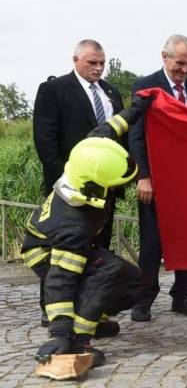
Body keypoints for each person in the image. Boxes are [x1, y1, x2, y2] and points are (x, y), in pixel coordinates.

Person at [24, 97, 152, 368]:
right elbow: (61, 280)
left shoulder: (89, 153)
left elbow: (109, 128)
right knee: (108, 271)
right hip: (46, 253)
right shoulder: (75, 224)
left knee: (138, 284)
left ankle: (92, 321)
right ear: (94, 187)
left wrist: (135, 110)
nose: (116, 190)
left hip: (59, 241)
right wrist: (59, 332)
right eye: (112, 186)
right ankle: (78, 341)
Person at [32, 39, 124, 327]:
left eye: (102, 63)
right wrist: (69, 181)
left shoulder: (111, 92)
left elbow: (120, 138)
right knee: (62, 252)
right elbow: (45, 141)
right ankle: (53, 310)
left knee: (97, 252)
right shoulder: (54, 90)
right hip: (68, 191)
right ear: (76, 60)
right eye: (92, 62)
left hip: (104, 191)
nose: (98, 68)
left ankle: (89, 311)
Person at [129, 34, 187, 322]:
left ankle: (182, 295)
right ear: (164, 57)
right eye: (180, 63)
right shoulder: (145, 86)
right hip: (155, 179)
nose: (184, 70)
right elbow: (136, 135)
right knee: (152, 241)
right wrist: (143, 176)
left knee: (186, 237)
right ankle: (144, 298)